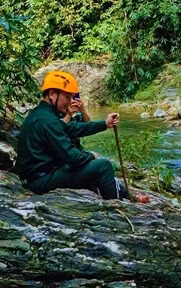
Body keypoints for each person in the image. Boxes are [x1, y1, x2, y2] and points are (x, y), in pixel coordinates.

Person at [15, 71, 127, 200]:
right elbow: (72, 157)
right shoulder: (47, 120)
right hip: (40, 181)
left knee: (89, 169)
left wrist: (105, 124)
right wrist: (91, 155)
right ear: (52, 94)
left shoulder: (42, 114)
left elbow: (73, 128)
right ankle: (115, 207)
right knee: (103, 166)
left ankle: (123, 197)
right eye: (67, 97)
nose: (70, 102)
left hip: (37, 177)